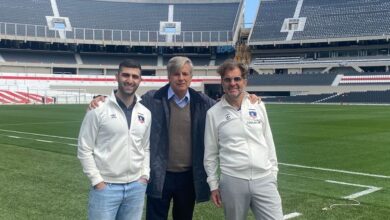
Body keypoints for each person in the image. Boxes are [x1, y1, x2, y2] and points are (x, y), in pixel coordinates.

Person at [89, 56, 260, 220]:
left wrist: (246, 97)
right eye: (176, 74)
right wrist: (103, 99)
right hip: (159, 175)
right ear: (169, 76)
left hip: (188, 177)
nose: (181, 78)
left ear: (191, 77)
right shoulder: (152, 98)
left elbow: (226, 105)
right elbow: (128, 102)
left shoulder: (202, 101)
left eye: (185, 74)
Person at [204, 59, 283, 220]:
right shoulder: (213, 113)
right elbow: (210, 154)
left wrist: (273, 173)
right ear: (222, 83)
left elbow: (269, 142)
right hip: (233, 181)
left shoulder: (258, 105)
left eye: (237, 79)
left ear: (244, 81)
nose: (233, 83)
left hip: (264, 179)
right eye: (228, 79)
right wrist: (213, 185)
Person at [78, 59, 151, 220]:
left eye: (135, 76)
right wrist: (97, 181)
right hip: (106, 188)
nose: (130, 80)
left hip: (136, 187)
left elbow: (145, 147)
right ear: (117, 76)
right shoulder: (98, 109)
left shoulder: (145, 112)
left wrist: (144, 176)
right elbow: (84, 149)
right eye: (125, 75)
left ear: (140, 80)